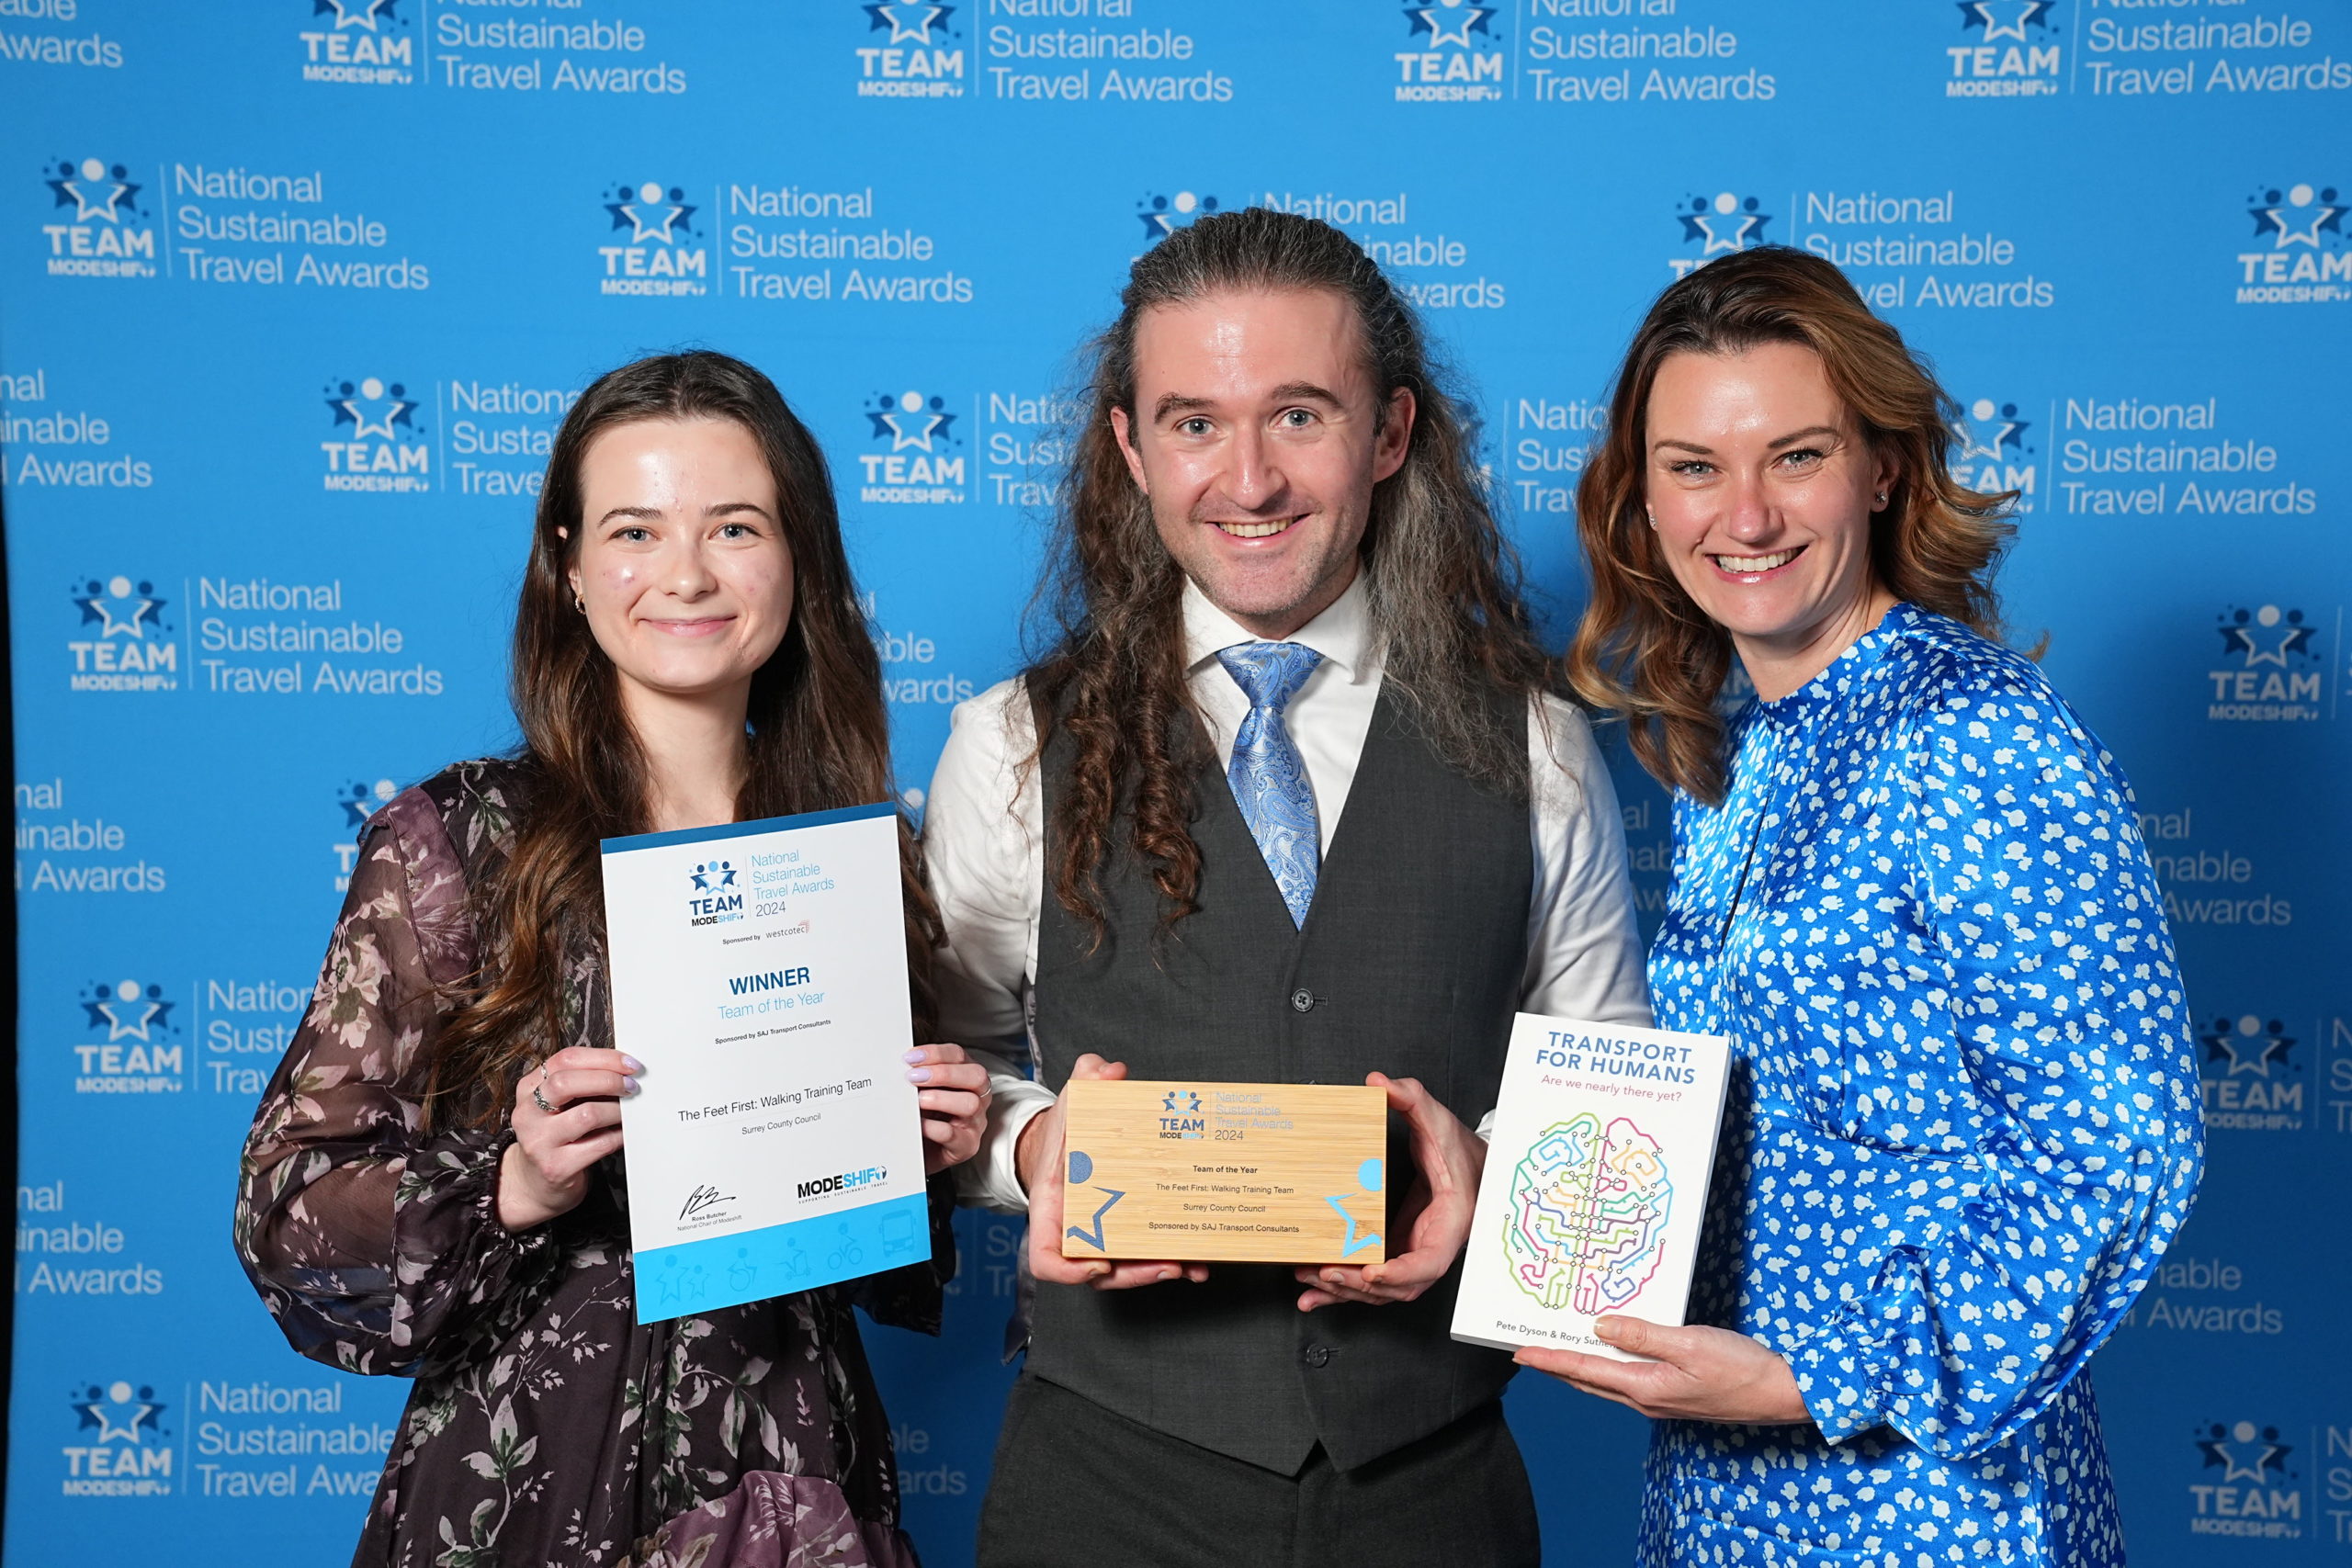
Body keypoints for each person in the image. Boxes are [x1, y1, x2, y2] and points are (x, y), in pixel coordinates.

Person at [922, 208, 1650, 1567]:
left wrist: (1488, 1183)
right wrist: (1035, 1154)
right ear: (1132, 449)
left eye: (1300, 416)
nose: (1247, 479)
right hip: (1106, 1485)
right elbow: (942, 1071)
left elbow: (1612, 1082)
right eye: (1195, 422)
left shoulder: (1537, 739)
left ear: (1389, 435)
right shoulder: (1009, 743)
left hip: (1432, 1488)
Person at [233, 351, 992, 1568]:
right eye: (636, 529)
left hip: (794, 1468)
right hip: (531, 1474)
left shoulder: (853, 855)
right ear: (571, 568)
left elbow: (839, 1222)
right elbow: (288, 1209)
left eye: (735, 526)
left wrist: (921, 1151)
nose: (686, 573)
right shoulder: (457, 840)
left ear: (800, 560)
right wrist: (512, 1187)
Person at [1539, 246, 2204, 1563]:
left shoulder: (1978, 737)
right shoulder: (1731, 747)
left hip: (1932, 1507)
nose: (1745, 515)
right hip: (1724, 1481)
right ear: (1642, 499)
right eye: (1693, 466)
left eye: (1796, 456)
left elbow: (2124, 1148)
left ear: (1883, 467)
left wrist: (1818, 1381)